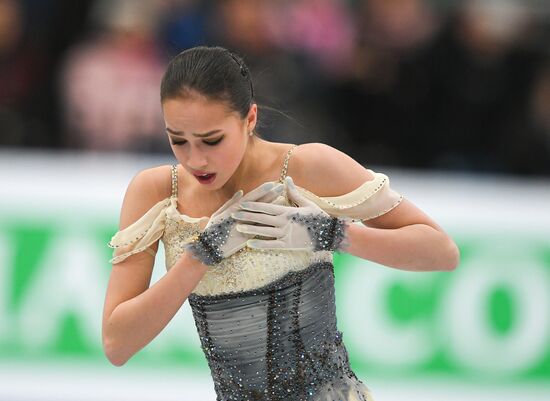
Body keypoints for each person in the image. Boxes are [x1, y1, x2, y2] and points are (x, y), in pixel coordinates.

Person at [102, 46, 460, 401]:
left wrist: (331, 234)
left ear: (250, 119)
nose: (196, 159)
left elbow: (441, 252)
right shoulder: (159, 192)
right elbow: (117, 345)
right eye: (178, 140)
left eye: (212, 140)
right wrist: (199, 257)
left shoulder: (307, 167)